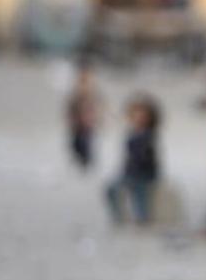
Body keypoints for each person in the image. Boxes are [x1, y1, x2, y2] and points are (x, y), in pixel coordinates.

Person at [105, 93, 162, 226]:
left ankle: (143, 218)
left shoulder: (148, 134)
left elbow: (147, 159)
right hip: (131, 173)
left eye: (141, 113)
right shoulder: (133, 132)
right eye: (135, 113)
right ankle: (120, 217)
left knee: (138, 191)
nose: (138, 116)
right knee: (111, 188)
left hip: (144, 174)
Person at [65, 59, 101, 171]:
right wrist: (69, 117)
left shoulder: (91, 88)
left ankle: (86, 164)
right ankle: (81, 164)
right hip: (77, 122)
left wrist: (97, 118)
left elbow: (97, 104)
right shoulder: (76, 88)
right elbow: (71, 105)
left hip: (87, 122)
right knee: (75, 144)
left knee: (85, 144)